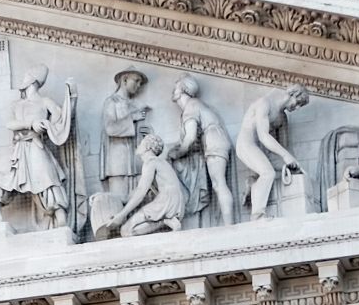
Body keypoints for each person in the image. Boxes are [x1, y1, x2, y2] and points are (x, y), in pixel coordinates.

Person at [0, 65, 76, 229]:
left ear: (33, 80)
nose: (23, 79)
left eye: (26, 76)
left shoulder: (45, 102)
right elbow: (10, 124)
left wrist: (72, 98)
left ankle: (60, 217)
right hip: (18, 150)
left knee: (47, 179)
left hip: (35, 147)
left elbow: (61, 122)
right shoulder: (17, 104)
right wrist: (31, 123)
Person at [234, 84, 308, 220]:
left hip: (264, 151)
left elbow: (285, 147)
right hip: (246, 145)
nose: (297, 108)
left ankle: (253, 183)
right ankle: (257, 215)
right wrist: (286, 156)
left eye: (300, 106)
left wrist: (294, 164)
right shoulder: (264, 103)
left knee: (291, 170)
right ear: (292, 94)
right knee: (268, 173)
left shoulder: (282, 118)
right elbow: (263, 136)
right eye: (298, 102)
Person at [168, 76, 234, 228]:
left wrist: (177, 154)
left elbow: (190, 138)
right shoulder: (196, 105)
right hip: (215, 140)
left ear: (183, 90)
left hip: (214, 141)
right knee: (219, 183)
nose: (173, 90)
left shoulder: (191, 106)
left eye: (176, 87)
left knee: (219, 184)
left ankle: (230, 226)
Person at [100, 134, 187, 238]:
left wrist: (122, 215)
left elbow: (140, 192)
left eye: (141, 143)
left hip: (165, 201)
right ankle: (167, 221)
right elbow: (130, 196)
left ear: (148, 147)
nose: (138, 145)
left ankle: (165, 221)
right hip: (176, 201)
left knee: (126, 230)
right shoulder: (160, 162)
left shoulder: (150, 162)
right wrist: (105, 196)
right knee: (127, 231)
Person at [100, 69, 151, 199]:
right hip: (118, 163)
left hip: (136, 162)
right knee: (118, 201)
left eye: (140, 83)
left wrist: (146, 133)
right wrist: (133, 118)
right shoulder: (111, 102)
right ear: (125, 80)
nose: (138, 86)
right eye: (136, 81)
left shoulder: (135, 105)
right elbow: (110, 128)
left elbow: (140, 131)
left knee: (138, 201)